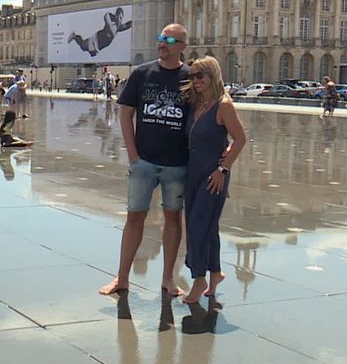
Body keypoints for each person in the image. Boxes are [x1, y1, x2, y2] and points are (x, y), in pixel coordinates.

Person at [99, 24, 191, 296]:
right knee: (134, 217)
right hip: (144, 162)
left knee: (173, 219)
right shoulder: (142, 74)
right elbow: (126, 115)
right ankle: (122, 278)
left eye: (170, 39)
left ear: (183, 46)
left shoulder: (191, 78)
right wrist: (133, 155)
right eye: (160, 37)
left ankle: (168, 279)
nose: (163, 43)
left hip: (177, 164)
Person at [180, 56, 246, 304]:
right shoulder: (197, 105)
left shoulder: (223, 105)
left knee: (197, 227)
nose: (195, 80)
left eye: (200, 76)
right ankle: (215, 272)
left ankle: (199, 279)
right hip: (193, 174)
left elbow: (240, 139)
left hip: (213, 177)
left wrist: (223, 168)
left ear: (212, 76)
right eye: (193, 76)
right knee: (208, 228)